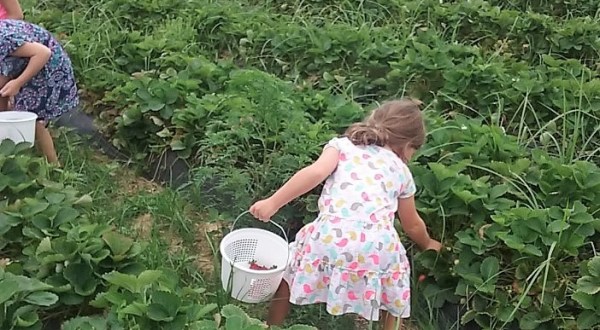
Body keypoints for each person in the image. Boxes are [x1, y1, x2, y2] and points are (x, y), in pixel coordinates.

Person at [249, 99, 442, 330]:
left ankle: (270, 325)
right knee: (395, 285)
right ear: (408, 143)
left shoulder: (342, 146)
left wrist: (273, 202)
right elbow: (411, 224)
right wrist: (429, 243)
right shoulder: (402, 171)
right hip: (376, 248)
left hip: (328, 237)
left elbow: (315, 172)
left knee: (291, 266)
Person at [0, 19, 79, 164]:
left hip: (48, 66)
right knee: (4, 102)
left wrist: (18, 83)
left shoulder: (3, 39)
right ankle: (8, 150)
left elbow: (43, 53)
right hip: (25, 62)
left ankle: (54, 166)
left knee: (31, 116)